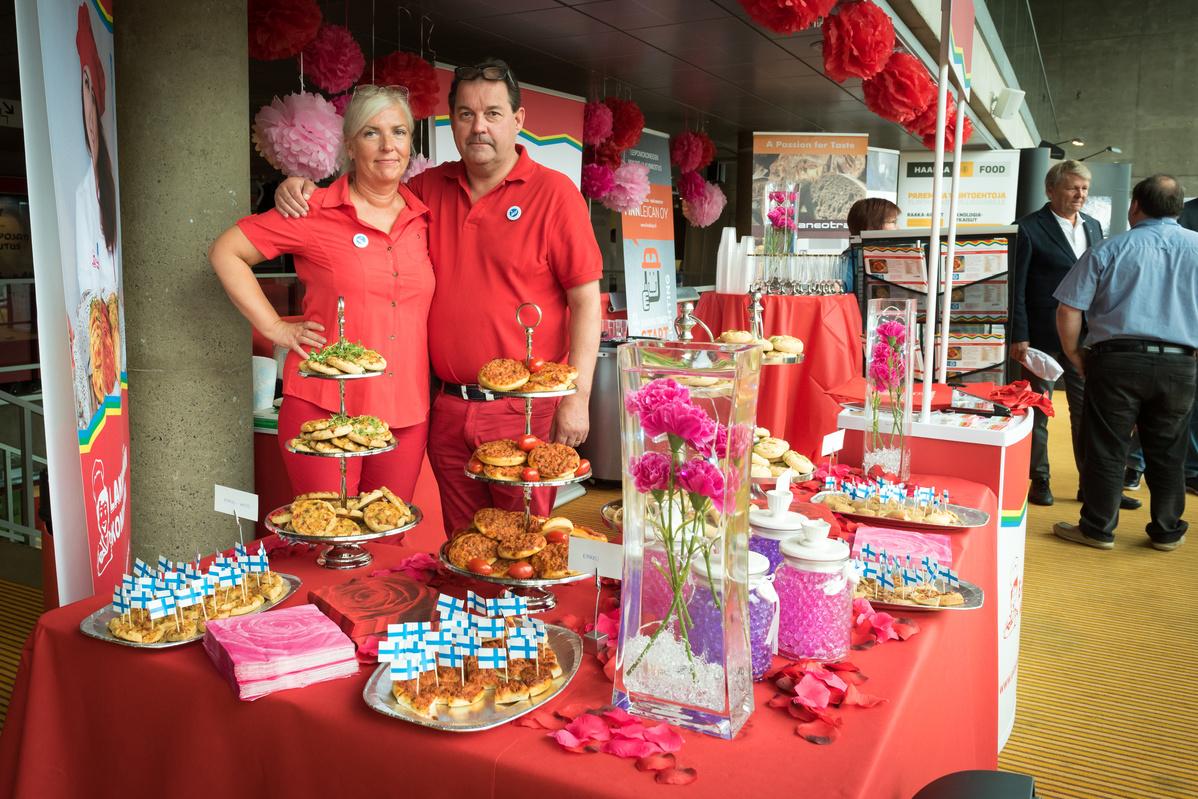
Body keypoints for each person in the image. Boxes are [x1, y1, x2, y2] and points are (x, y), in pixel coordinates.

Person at [276, 60, 602, 534]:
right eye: (466, 114)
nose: (479, 126)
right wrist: (303, 188)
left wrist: (579, 397)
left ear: (518, 120)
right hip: (446, 407)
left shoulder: (555, 195)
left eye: (493, 113)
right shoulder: (427, 190)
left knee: (521, 541)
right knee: (463, 543)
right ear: (452, 123)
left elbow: (586, 302)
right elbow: (368, 194)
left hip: (521, 409)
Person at [209, 87, 434, 503]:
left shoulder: (425, 217)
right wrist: (275, 327)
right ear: (349, 146)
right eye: (371, 133)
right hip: (324, 406)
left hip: (406, 410)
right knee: (328, 530)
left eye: (399, 132)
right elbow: (227, 252)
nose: (388, 145)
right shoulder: (313, 209)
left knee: (388, 532)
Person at [1051, 174, 1198, 551]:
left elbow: (1069, 309)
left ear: (1135, 206)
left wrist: (1074, 354)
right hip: (1180, 364)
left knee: (1106, 446)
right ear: (1178, 209)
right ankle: (1166, 530)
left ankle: (1098, 528)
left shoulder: (1108, 248)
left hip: (1116, 361)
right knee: (1170, 449)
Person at [1010, 160, 1138, 511]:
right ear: (1051, 190)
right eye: (1072, 188)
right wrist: (1019, 334)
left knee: (1088, 412)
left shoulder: (1093, 226)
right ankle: (1040, 478)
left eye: (1084, 188)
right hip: (1039, 336)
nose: (1080, 194)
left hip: (1085, 336)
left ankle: (1092, 485)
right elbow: (1016, 285)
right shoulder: (1027, 228)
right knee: (1037, 410)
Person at [1125, 193, 1198, 495]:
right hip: (1169, 329)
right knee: (1159, 409)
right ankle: (1135, 463)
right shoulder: (1186, 214)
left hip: (1185, 334)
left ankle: (1190, 471)